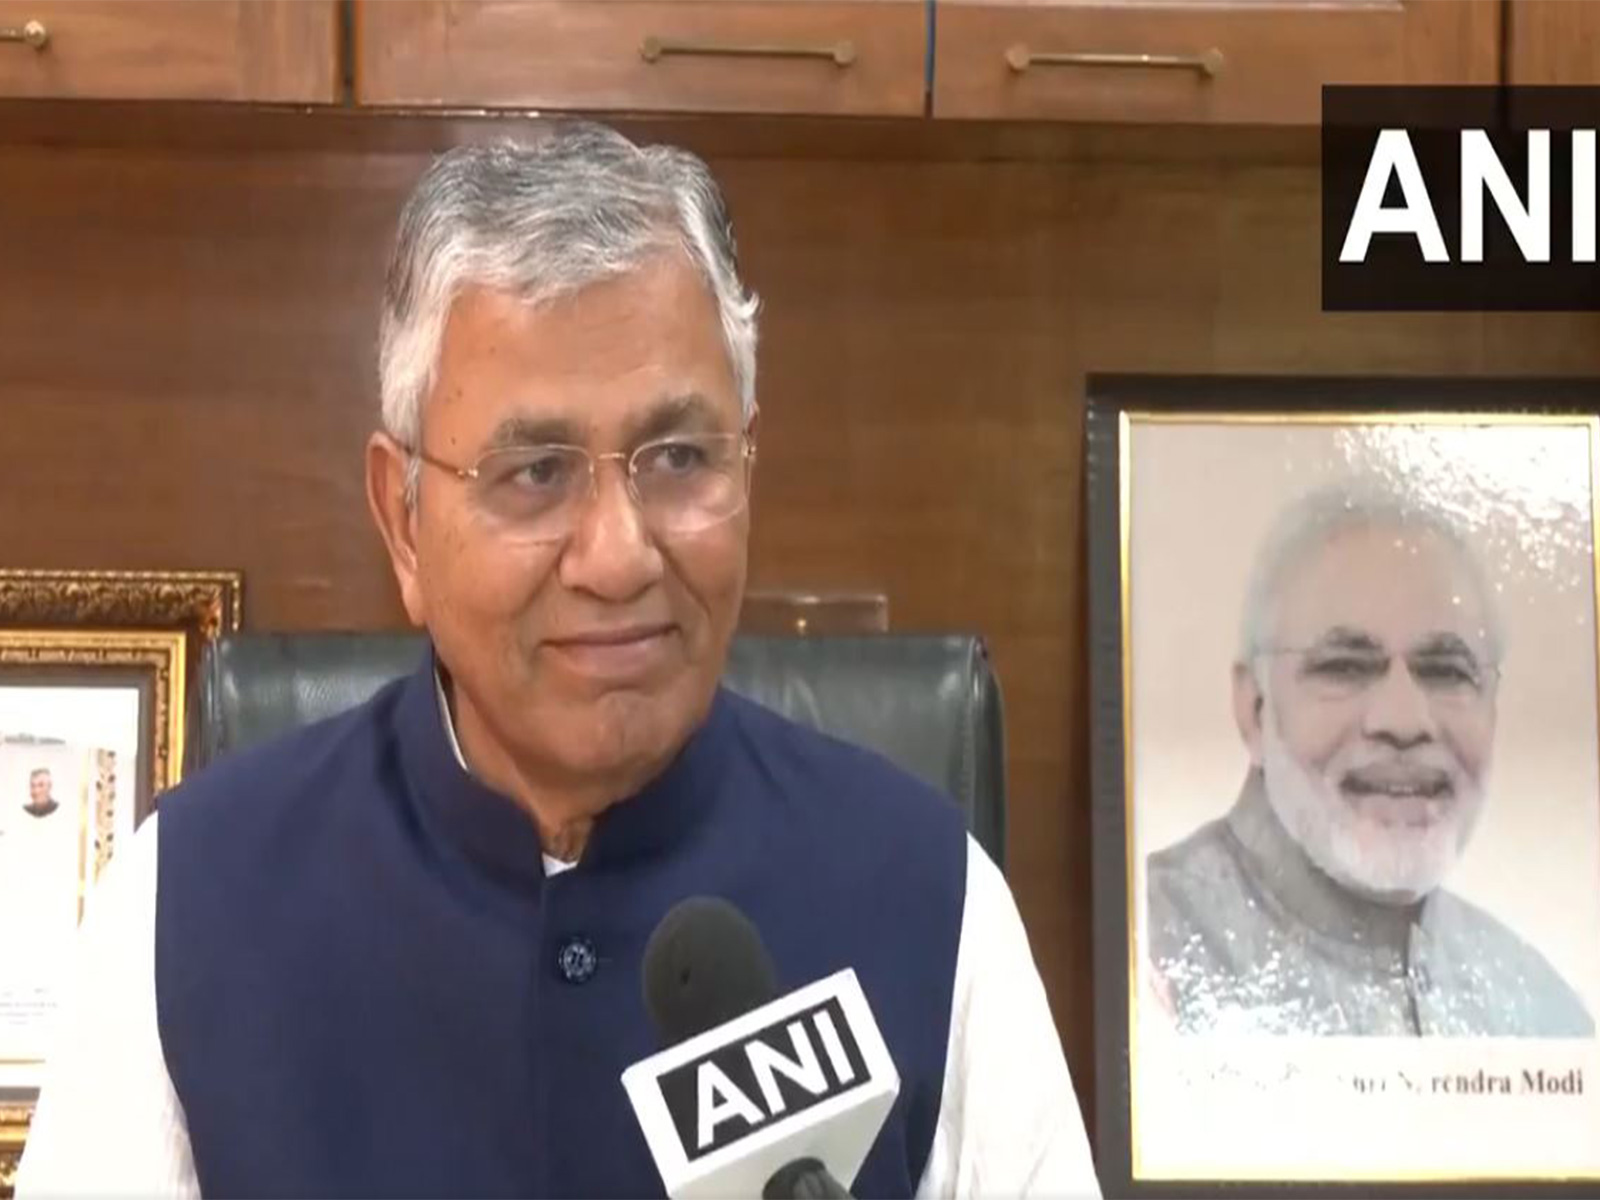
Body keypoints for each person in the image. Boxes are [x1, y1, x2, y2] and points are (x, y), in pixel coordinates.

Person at [17, 124, 1098, 1197]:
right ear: (403, 520)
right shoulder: (186, 906)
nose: (618, 557)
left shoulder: (927, 896)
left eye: (680, 457)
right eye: (535, 471)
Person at [1148, 483, 1594, 1038]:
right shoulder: (1143, 948)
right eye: (1345, 666)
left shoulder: (1540, 1013)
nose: (1403, 721)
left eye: (1447, 671)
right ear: (1255, 709)